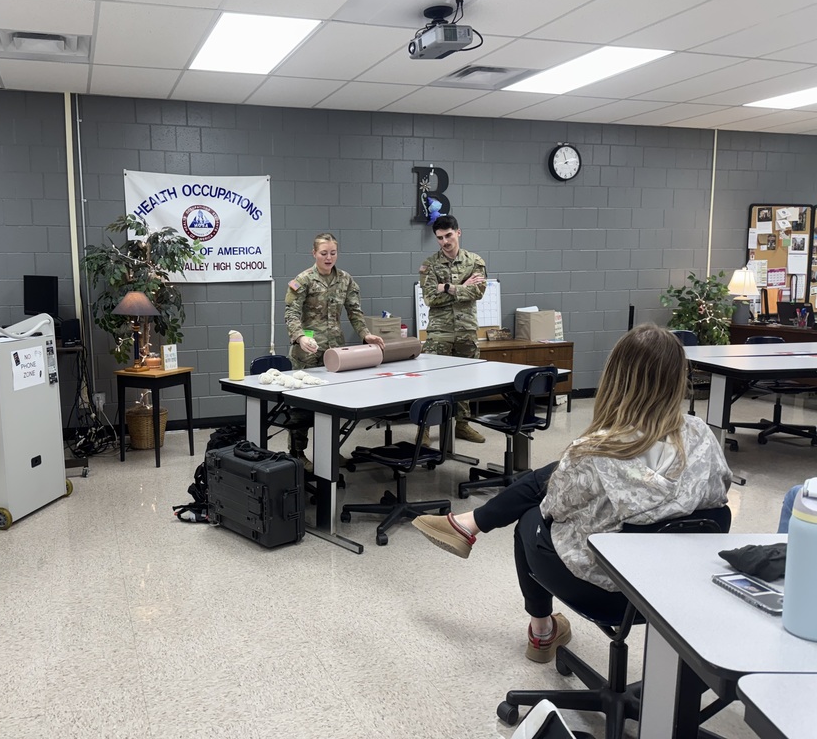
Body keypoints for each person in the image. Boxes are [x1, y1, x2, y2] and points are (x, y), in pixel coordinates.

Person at [413, 324, 732, 662]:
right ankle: (470, 523)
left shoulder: (594, 450)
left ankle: (542, 631)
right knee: (554, 474)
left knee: (529, 518)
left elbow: (554, 509)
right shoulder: (702, 435)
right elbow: (718, 499)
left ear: (616, 378)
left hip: (609, 594)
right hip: (674, 585)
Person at [284, 232, 385, 468]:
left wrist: (365, 334)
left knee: (332, 405)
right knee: (302, 408)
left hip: (335, 352)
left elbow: (354, 311)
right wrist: (299, 337)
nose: (328, 258)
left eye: (333, 253)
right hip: (308, 351)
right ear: (314, 253)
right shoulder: (303, 280)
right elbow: (291, 313)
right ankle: (297, 454)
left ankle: (329, 452)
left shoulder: (345, 280)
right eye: (323, 253)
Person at [419, 214, 488, 443]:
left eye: (448, 235)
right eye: (440, 238)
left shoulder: (475, 261)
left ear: (458, 232)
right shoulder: (430, 265)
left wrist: (446, 287)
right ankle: (425, 429)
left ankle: (462, 425)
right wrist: (461, 287)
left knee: (466, 381)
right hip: (440, 332)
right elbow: (430, 298)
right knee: (431, 382)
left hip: (466, 330)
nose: (445, 242)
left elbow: (477, 292)